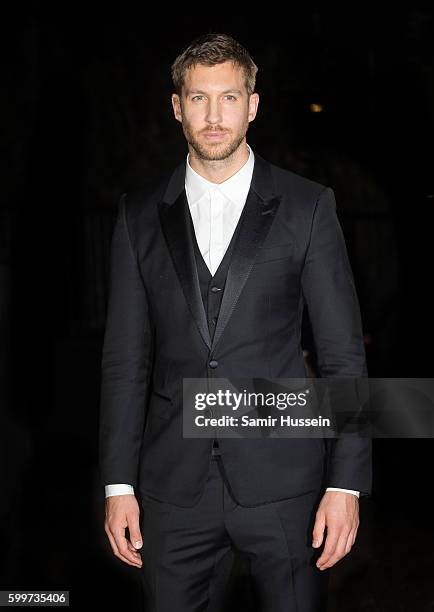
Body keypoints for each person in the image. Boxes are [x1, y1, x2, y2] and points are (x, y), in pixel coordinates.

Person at [98, 32, 372, 612]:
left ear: (252, 105)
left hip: (286, 483)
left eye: (228, 97)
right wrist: (118, 483)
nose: (214, 115)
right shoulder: (138, 214)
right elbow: (125, 359)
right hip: (172, 489)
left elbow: (342, 354)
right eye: (199, 98)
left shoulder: (308, 205)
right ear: (177, 107)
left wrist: (345, 483)